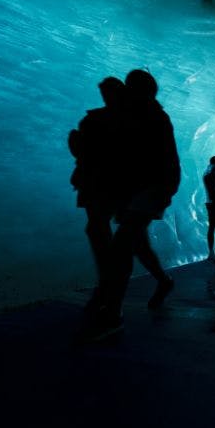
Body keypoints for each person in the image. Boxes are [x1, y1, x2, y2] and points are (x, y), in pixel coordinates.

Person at [77, 69, 181, 342]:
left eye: (131, 86)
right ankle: (162, 281)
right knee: (137, 245)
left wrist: (162, 193)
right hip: (135, 192)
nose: (127, 90)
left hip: (150, 191)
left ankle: (112, 312)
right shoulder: (133, 114)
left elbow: (167, 162)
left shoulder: (155, 117)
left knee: (123, 244)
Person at [69, 77, 126, 314]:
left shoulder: (104, 119)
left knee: (99, 230)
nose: (105, 97)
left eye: (107, 93)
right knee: (98, 229)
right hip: (98, 183)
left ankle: (108, 287)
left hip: (104, 184)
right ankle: (107, 284)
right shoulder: (102, 118)